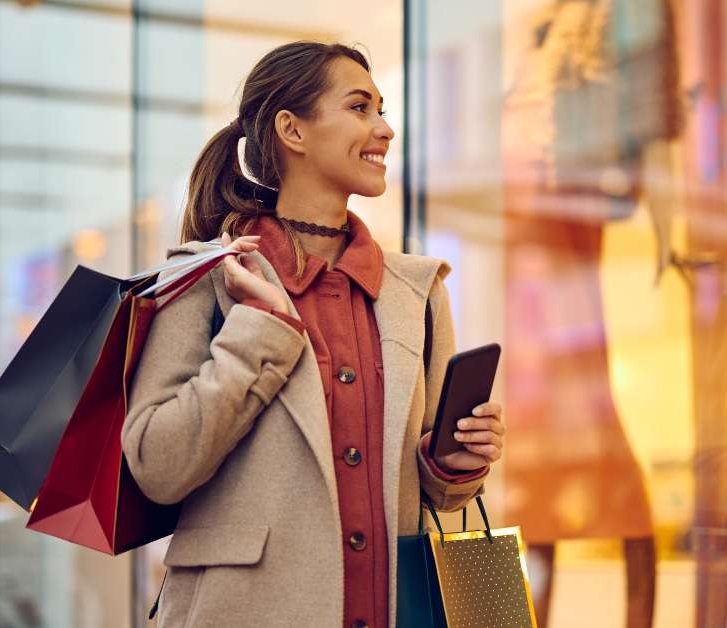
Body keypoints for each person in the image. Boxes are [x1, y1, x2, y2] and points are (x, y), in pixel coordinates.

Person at [121, 41, 505, 628]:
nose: (384, 129)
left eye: (381, 110)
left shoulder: (419, 293)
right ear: (292, 130)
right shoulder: (208, 277)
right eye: (359, 107)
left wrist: (455, 458)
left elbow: (433, 491)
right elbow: (158, 464)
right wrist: (260, 332)